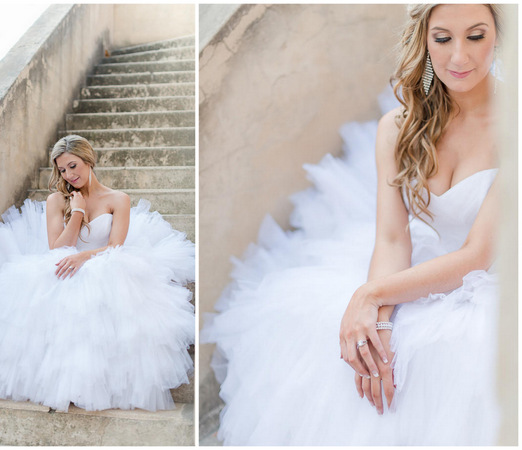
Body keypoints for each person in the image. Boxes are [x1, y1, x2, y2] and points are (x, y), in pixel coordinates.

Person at [202, 4, 502, 445]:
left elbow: (478, 255)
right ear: (423, 40)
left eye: (476, 36)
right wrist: (375, 317)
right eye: (443, 38)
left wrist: (370, 294)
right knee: (342, 338)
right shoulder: (396, 128)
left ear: (500, 35)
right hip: (420, 266)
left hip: (493, 280)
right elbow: (392, 237)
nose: (459, 56)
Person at [0, 134, 195, 412]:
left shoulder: (118, 199)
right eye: (62, 170)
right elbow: (57, 248)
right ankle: (61, 381)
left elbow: (115, 248)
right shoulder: (57, 200)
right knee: (58, 289)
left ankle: (98, 381)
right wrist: (77, 212)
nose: (69, 175)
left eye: (73, 166)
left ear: (89, 161)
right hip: (64, 264)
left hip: (104, 262)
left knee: (108, 286)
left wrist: (84, 257)